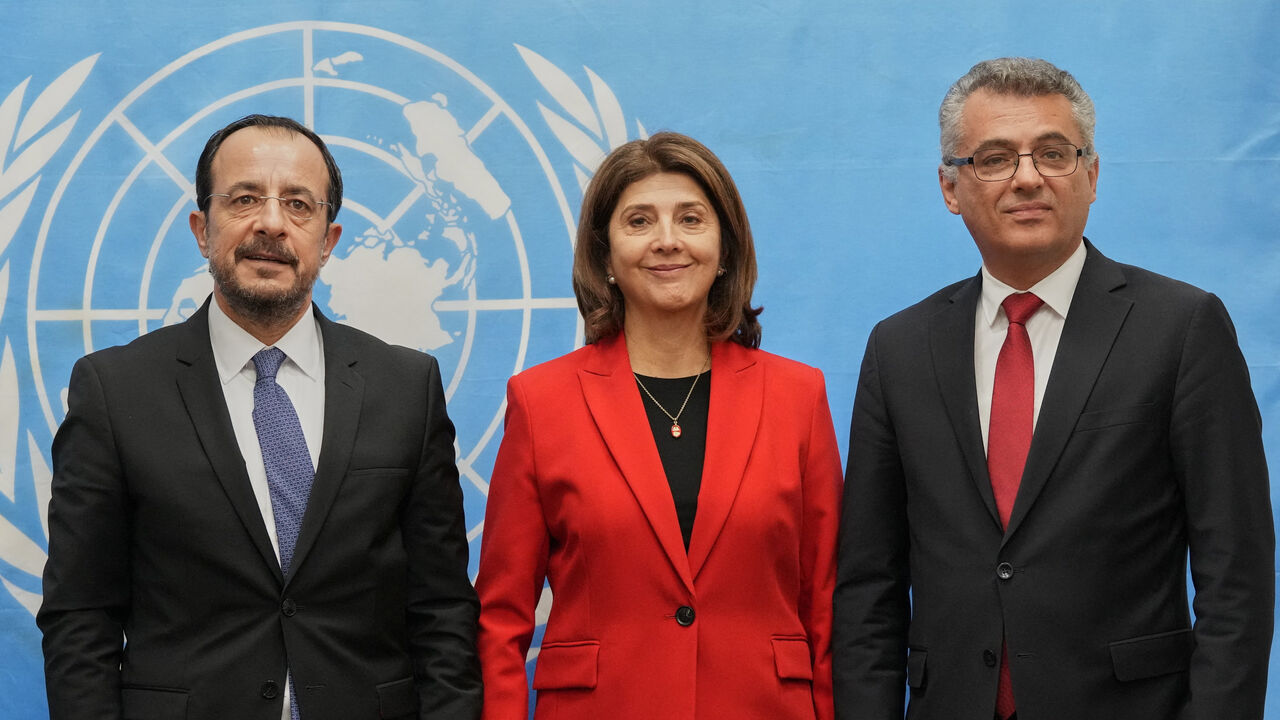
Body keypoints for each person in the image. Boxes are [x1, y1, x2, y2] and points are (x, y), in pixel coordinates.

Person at [833, 57, 1274, 720]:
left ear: (1091, 175)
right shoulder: (899, 348)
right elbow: (869, 585)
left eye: (1053, 153)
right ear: (951, 186)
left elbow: (1235, 573)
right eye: (995, 158)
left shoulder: (1180, 328)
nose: (1028, 177)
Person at [38, 114, 482, 720]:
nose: (271, 223)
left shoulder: (407, 388)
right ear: (202, 228)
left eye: (299, 205)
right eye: (244, 198)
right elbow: (81, 616)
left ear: (328, 240)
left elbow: (442, 610)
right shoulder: (114, 391)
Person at [475, 132, 842, 719]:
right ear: (604, 256)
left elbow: (823, 603)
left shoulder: (798, 396)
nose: (667, 241)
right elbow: (500, 619)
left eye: (691, 219)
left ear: (725, 248)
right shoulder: (541, 402)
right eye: (639, 221)